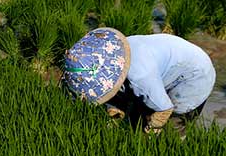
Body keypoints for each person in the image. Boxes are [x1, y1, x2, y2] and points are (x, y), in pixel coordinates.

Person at [63, 28, 216, 133]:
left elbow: (164, 108)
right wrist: (115, 106)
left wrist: (153, 127)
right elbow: (117, 85)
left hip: (195, 76)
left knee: (172, 127)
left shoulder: (140, 76)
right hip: (172, 61)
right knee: (137, 115)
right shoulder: (116, 52)